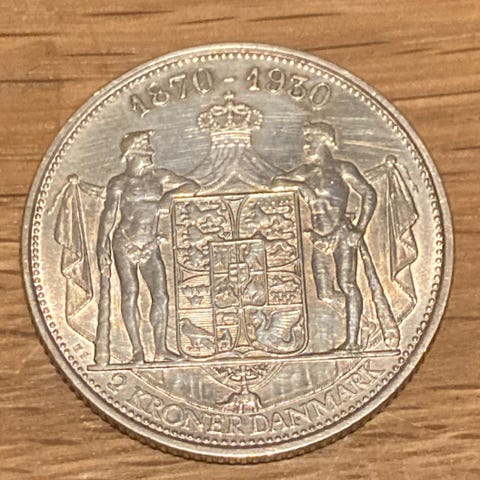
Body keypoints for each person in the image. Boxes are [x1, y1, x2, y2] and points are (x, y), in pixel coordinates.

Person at [272, 121, 377, 351]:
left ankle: (353, 342)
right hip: (318, 237)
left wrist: (360, 229)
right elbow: (275, 183)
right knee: (325, 294)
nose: (305, 146)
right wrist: (301, 187)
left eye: (309, 140)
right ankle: (364, 323)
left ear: (324, 140)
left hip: (341, 234)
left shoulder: (342, 169)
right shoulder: (305, 172)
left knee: (347, 283)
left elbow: (368, 194)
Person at [96, 130, 199, 363]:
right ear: (132, 154)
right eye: (145, 149)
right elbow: (109, 215)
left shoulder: (159, 177)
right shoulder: (119, 183)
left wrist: (169, 197)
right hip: (125, 242)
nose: (151, 151)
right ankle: (137, 351)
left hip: (150, 244)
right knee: (130, 293)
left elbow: (192, 185)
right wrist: (101, 244)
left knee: (161, 296)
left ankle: (160, 349)